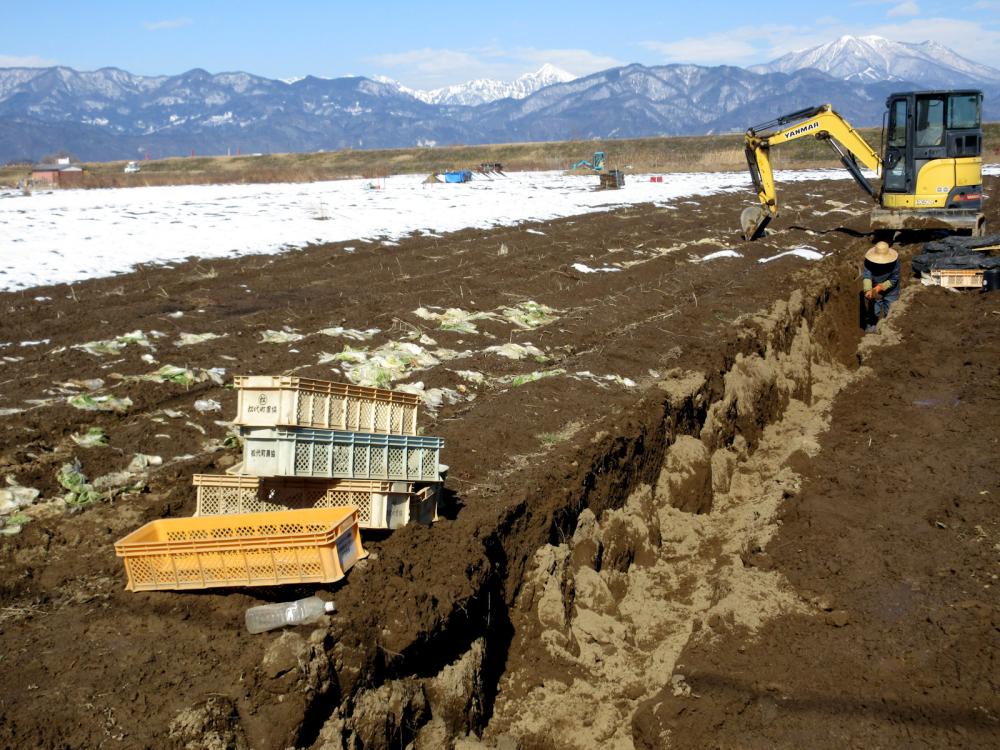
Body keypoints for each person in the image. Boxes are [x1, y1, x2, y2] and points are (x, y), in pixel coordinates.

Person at [861, 241, 900, 332]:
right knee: (874, 309)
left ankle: (887, 328)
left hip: (891, 289)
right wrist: (868, 290)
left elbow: (894, 279)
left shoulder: (895, 262)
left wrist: (878, 288)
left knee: (890, 310)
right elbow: (867, 276)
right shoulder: (868, 261)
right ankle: (872, 325)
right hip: (875, 286)